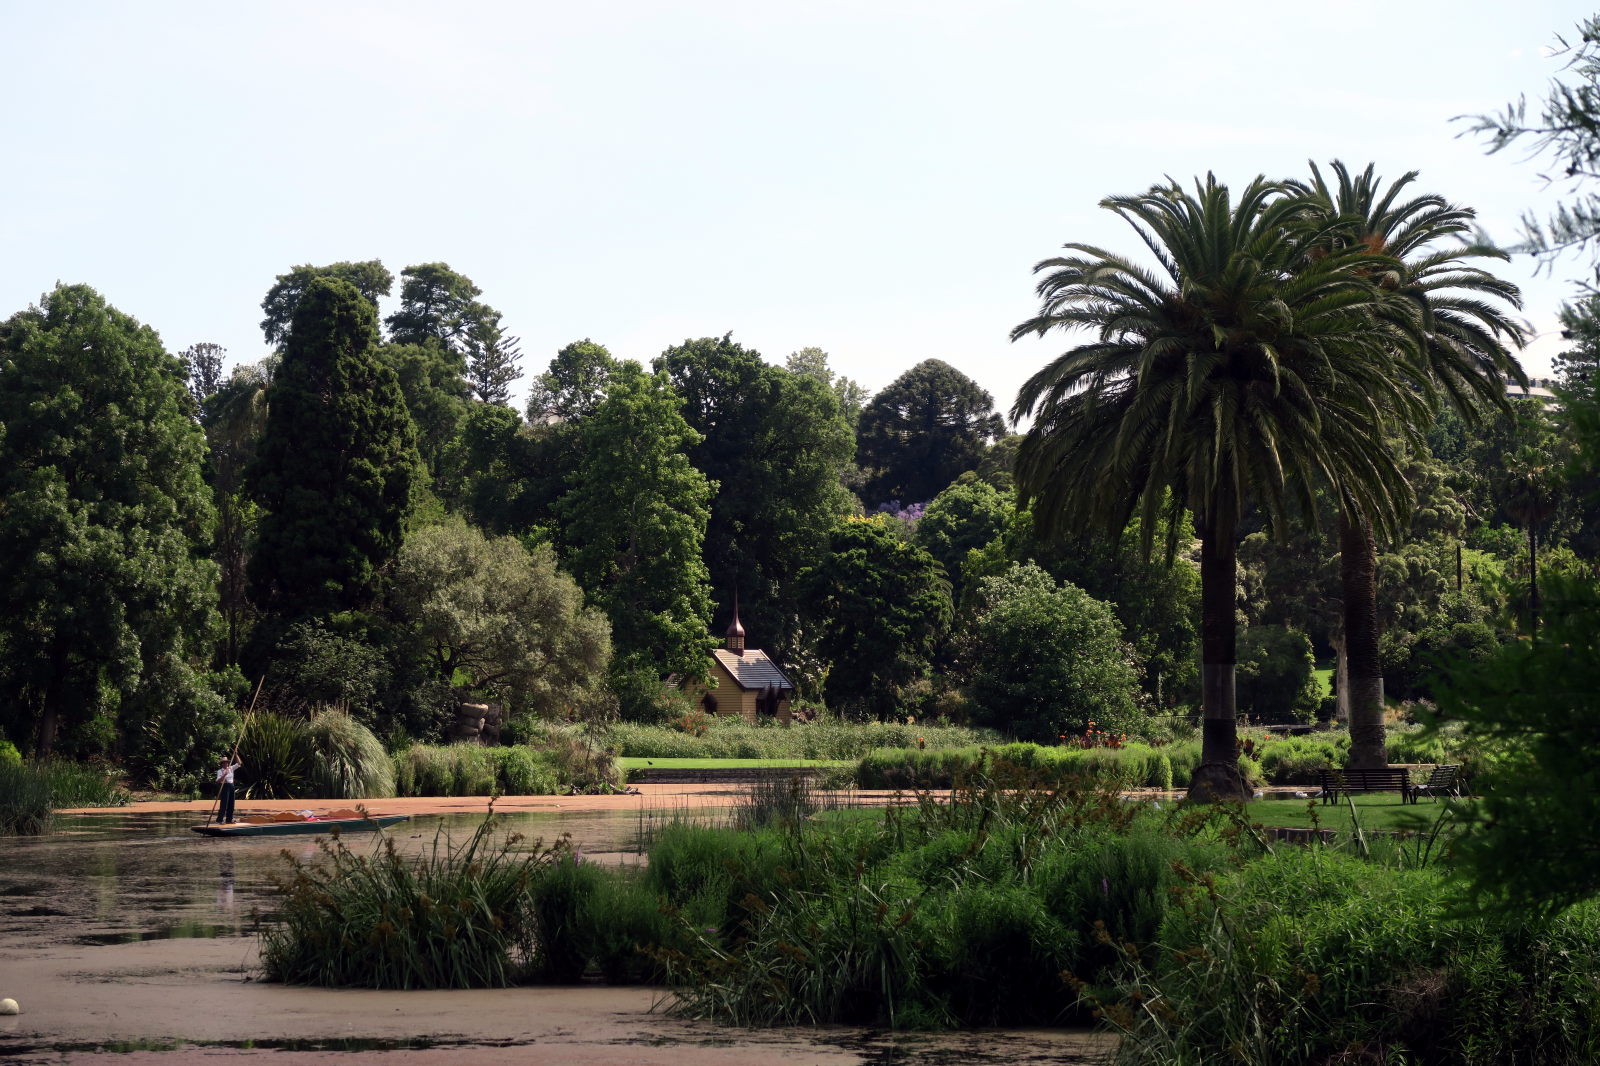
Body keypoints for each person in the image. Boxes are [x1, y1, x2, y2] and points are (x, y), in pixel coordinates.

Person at [216, 752, 243, 824]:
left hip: (231, 786)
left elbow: (239, 763)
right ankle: (220, 819)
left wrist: (236, 755)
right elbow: (218, 781)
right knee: (224, 803)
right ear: (222, 764)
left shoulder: (231, 768)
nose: (226, 764)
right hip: (225, 786)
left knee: (231, 803)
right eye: (224, 763)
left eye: (226, 762)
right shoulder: (220, 771)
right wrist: (224, 775)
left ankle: (229, 819)